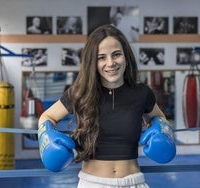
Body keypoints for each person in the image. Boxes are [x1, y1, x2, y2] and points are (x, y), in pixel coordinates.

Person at [37, 24, 176, 188]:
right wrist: (47, 137)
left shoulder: (142, 93)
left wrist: (162, 130)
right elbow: (46, 117)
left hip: (134, 182)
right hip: (92, 183)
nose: (110, 63)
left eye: (116, 54)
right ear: (92, 62)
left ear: (126, 55)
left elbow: (159, 117)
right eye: (101, 57)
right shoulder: (81, 93)